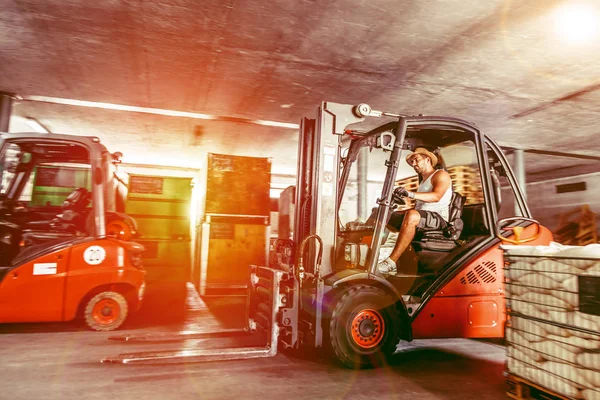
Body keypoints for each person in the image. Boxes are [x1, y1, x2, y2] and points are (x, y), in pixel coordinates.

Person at [377, 147, 453, 274]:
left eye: (416, 160)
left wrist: (410, 194)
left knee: (411, 215)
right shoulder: (423, 181)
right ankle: (368, 253)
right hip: (425, 216)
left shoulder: (440, 175)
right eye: (412, 162)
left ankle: (391, 262)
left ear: (427, 159)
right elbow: (420, 207)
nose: (414, 164)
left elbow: (436, 196)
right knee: (383, 213)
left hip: (439, 219)